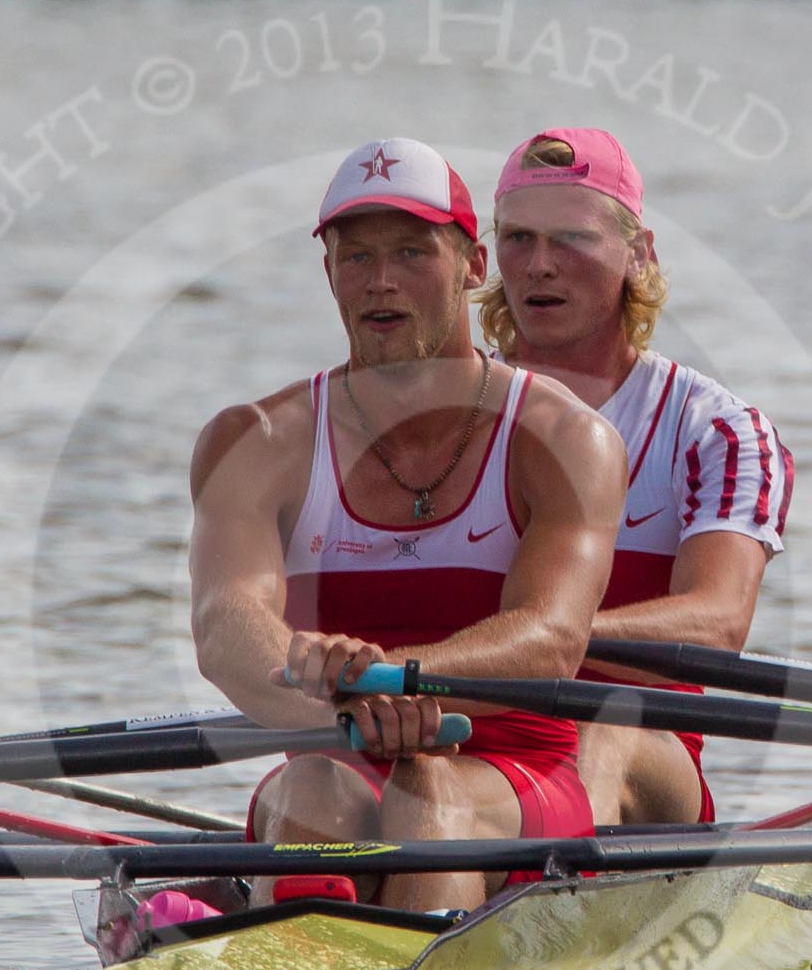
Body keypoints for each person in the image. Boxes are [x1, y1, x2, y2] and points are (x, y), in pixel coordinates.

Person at [188, 137, 626, 914]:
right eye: (355, 258)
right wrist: (341, 708)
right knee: (315, 787)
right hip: (334, 754)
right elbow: (227, 628)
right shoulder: (252, 441)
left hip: (515, 773)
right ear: (328, 274)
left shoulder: (565, 440)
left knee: (428, 793)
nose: (381, 282)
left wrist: (396, 680)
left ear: (473, 266)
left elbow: (551, 638)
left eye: (412, 253)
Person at [480, 127, 794, 826]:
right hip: (476, 741)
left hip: (639, 748)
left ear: (638, 254)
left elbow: (716, 624)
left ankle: (545, 900)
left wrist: (541, 638)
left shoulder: (716, 431)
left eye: (572, 240)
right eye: (517, 239)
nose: (538, 265)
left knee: (605, 730)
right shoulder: (442, 412)